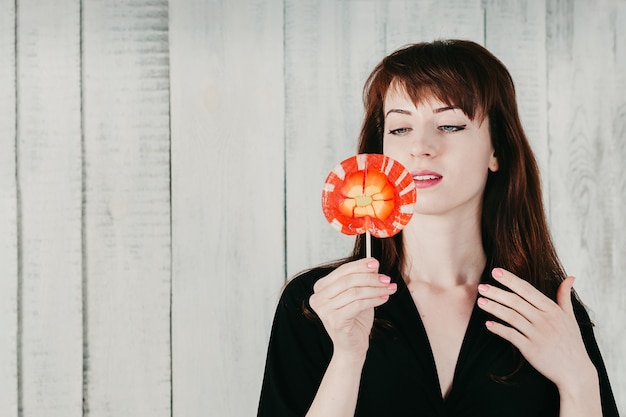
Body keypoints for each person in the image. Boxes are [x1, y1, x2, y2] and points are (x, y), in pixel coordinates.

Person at [257, 39, 620, 417]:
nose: (421, 147)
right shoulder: (317, 305)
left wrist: (579, 380)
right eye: (400, 129)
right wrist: (348, 355)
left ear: (497, 150)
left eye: (449, 124)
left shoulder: (545, 311)